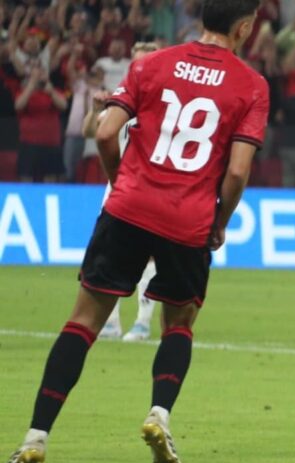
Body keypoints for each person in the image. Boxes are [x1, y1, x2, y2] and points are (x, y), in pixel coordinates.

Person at [0, 0, 269, 463]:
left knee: (83, 322)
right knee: (179, 323)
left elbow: (106, 133)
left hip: (128, 207)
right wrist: (220, 221)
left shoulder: (151, 64)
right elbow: (237, 171)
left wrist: (121, 181)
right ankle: (158, 414)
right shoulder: (250, 84)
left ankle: (35, 436)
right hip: (188, 219)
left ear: (201, 18)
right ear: (245, 28)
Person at [81, 42, 161, 342]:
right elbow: (91, 132)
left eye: (145, 62)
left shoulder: (167, 103)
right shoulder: (124, 99)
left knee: (150, 256)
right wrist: (95, 110)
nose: (139, 68)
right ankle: (111, 322)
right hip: (118, 186)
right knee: (109, 252)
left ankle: (142, 322)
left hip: (151, 188)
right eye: (136, 63)